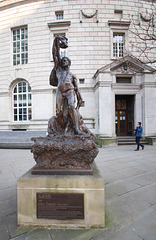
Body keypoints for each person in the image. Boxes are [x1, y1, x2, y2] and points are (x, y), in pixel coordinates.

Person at [49, 35, 83, 135]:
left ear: (69, 63)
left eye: (65, 60)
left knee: (71, 106)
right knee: (58, 112)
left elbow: (76, 88)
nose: (63, 61)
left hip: (69, 91)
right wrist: (56, 40)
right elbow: (55, 53)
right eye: (62, 60)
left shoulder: (72, 75)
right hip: (60, 91)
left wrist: (79, 98)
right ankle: (61, 130)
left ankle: (76, 128)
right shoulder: (58, 70)